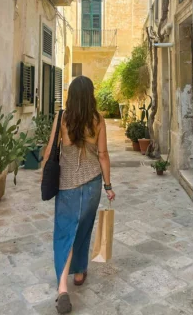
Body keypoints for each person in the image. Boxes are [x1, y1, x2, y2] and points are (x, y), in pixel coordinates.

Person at [42, 75, 116, 314]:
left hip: (67, 186)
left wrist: (44, 173)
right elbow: (103, 155)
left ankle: (63, 287)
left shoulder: (63, 118)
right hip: (92, 184)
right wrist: (108, 185)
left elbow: (50, 149)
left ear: (71, 95)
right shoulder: (98, 120)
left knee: (64, 233)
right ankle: (80, 272)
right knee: (83, 229)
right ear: (91, 95)